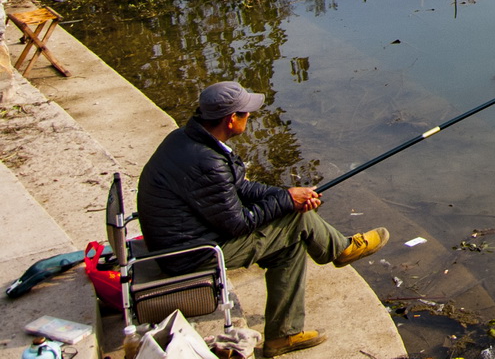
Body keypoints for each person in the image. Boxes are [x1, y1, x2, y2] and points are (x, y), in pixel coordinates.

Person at [137, 83, 389, 357]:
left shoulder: (188, 140)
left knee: (289, 246)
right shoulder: (206, 161)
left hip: (185, 239)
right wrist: (288, 202)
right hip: (192, 254)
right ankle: (340, 249)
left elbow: (239, 188)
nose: (250, 117)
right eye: (246, 113)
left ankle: (283, 336)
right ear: (231, 118)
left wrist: (288, 194)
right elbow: (237, 224)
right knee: (296, 222)